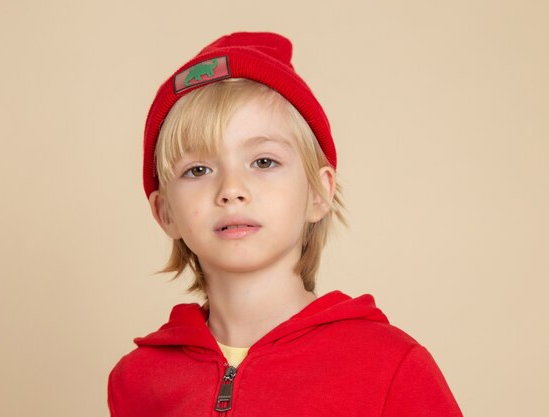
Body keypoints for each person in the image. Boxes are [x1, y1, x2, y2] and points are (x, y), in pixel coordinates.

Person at [108, 32, 463, 417]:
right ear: (165, 213)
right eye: (198, 169)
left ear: (318, 192)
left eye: (263, 162)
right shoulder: (138, 379)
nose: (231, 190)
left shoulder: (391, 366)